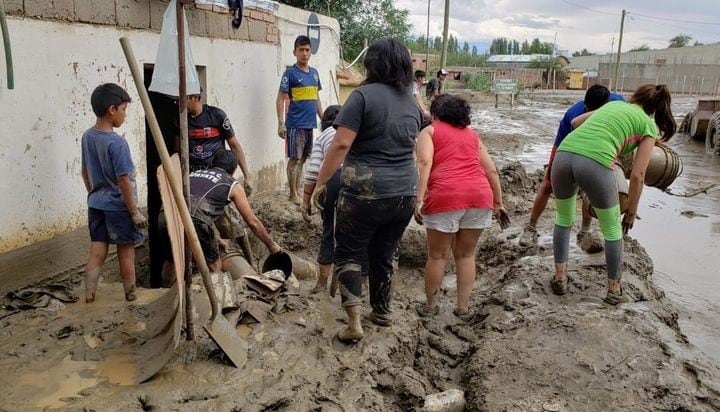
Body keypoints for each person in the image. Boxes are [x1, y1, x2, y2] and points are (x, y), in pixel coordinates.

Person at [312, 38, 422, 343]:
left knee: (349, 251)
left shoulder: (361, 97)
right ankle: (382, 312)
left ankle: (354, 323)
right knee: (385, 253)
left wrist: (321, 182)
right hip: (404, 193)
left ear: (373, 63)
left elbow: (341, 143)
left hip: (365, 192)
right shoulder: (411, 102)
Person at [550, 84, 676, 304]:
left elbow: (575, 122)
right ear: (656, 109)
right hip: (596, 162)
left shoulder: (615, 105)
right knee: (612, 229)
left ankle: (560, 278)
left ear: (635, 97)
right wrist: (631, 210)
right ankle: (614, 291)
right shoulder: (648, 125)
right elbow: (638, 175)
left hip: (563, 155)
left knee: (563, 219)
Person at [414, 94, 510, 321]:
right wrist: (499, 203)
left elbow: (425, 163)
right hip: (479, 196)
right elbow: (492, 170)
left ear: (435, 114)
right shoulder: (472, 135)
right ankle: (463, 308)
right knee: (466, 255)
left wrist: (419, 199)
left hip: (445, 196)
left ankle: (430, 307)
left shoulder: (430, 132)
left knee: (437, 256)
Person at [519, 84, 624, 251]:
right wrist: (551, 168)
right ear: (585, 105)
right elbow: (559, 144)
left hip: (598, 150)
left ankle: (584, 232)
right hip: (568, 147)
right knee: (547, 185)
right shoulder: (573, 115)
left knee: (589, 190)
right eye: (587, 109)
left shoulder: (618, 103)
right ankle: (530, 227)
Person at [161, 150, 281, 274]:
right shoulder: (231, 183)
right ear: (234, 169)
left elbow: (204, 208)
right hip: (195, 218)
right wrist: (271, 245)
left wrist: (216, 238)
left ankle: (165, 289)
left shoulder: (193, 174)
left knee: (172, 261)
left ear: (212, 164)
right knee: (214, 265)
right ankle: (216, 291)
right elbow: (252, 222)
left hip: (165, 214)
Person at [81, 83, 148, 303]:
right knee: (126, 253)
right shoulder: (117, 143)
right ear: (112, 110)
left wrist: (95, 194)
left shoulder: (87, 137)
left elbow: (84, 171)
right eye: (123, 110)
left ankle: (89, 296)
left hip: (96, 204)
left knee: (97, 252)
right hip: (119, 207)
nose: (124, 115)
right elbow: (124, 180)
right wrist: (134, 212)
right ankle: (131, 296)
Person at [187, 88, 255, 264]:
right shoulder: (181, 119)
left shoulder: (216, 116)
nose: (180, 102)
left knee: (234, 224)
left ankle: (251, 261)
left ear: (195, 97)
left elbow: (234, 145)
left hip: (217, 178)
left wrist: (247, 175)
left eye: (184, 98)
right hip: (196, 179)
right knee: (201, 224)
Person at [300, 105, 343, 293]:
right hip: (358, 180)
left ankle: (322, 283)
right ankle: (348, 284)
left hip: (332, 180)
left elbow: (313, 171)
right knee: (354, 234)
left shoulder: (325, 135)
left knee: (329, 230)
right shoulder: (354, 131)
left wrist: (306, 200)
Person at [276, 35, 324, 205]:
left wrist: (324, 119)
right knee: (294, 159)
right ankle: (292, 193)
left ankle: (297, 190)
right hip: (295, 124)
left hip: (310, 124)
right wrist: (281, 123)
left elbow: (316, 98)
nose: (304, 53)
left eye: (307, 50)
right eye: (301, 50)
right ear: (294, 52)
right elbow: (280, 98)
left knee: (303, 159)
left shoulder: (315, 74)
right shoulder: (290, 73)